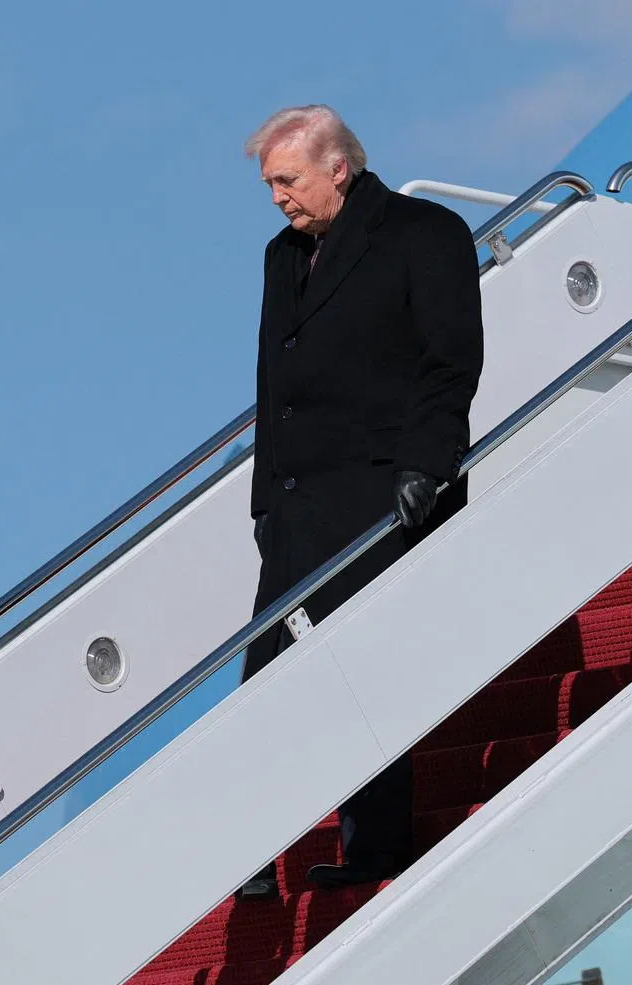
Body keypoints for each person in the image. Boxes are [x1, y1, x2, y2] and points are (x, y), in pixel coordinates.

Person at [237, 104, 483, 899]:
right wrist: (263, 500)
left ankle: (374, 849)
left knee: (366, 675)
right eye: (270, 183)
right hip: (296, 502)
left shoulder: (425, 233)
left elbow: (450, 362)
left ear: (337, 168)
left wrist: (428, 466)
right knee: (267, 682)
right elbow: (273, 384)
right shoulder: (282, 255)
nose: (277, 196)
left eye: (287, 179)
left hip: (386, 493)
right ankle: (248, 854)